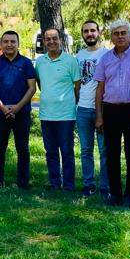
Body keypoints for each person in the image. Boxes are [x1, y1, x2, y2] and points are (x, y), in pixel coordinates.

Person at [94, 19, 130, 207]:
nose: (120, 36)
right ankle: (115, 194)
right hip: (110, 110)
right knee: (111, 154)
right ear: (111, 37)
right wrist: (99, 116)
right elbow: (100, 89)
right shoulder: (105, 59)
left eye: (123, 33)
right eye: (116, 33)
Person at [0, 30, 37, 189]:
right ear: (1, 44)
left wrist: (17, 108)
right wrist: (3, 107)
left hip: (22, 113)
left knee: (22, 148)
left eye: (13, 41)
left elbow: (32, 88)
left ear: (18, 44)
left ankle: (23, 182)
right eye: (6, 41)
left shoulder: (26, 63)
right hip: (1, 113)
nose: (9, 44)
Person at [34, 28, 81, 191]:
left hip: (66, 115)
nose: (51, 41)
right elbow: (40, 83)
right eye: (48, 39)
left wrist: (67, 101)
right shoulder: (40, 62)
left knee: (67, 152)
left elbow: (77, 86)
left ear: (60, 40)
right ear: (44, 42)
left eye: (54, 38)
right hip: (46, 114)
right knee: (50, 152)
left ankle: (68, 185)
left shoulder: (70, 61)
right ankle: (54, 183)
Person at [75, 20, 109, 197]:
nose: (89, 34)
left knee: (104, 150)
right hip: (82, 109)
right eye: (86, 31)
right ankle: (88, 184)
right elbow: (76, 83)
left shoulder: (107, 54)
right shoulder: (79, 56)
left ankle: (105, 186)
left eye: (93, 30)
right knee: (86, 150)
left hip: (102, 109)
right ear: (82, 34)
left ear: (99, 33)